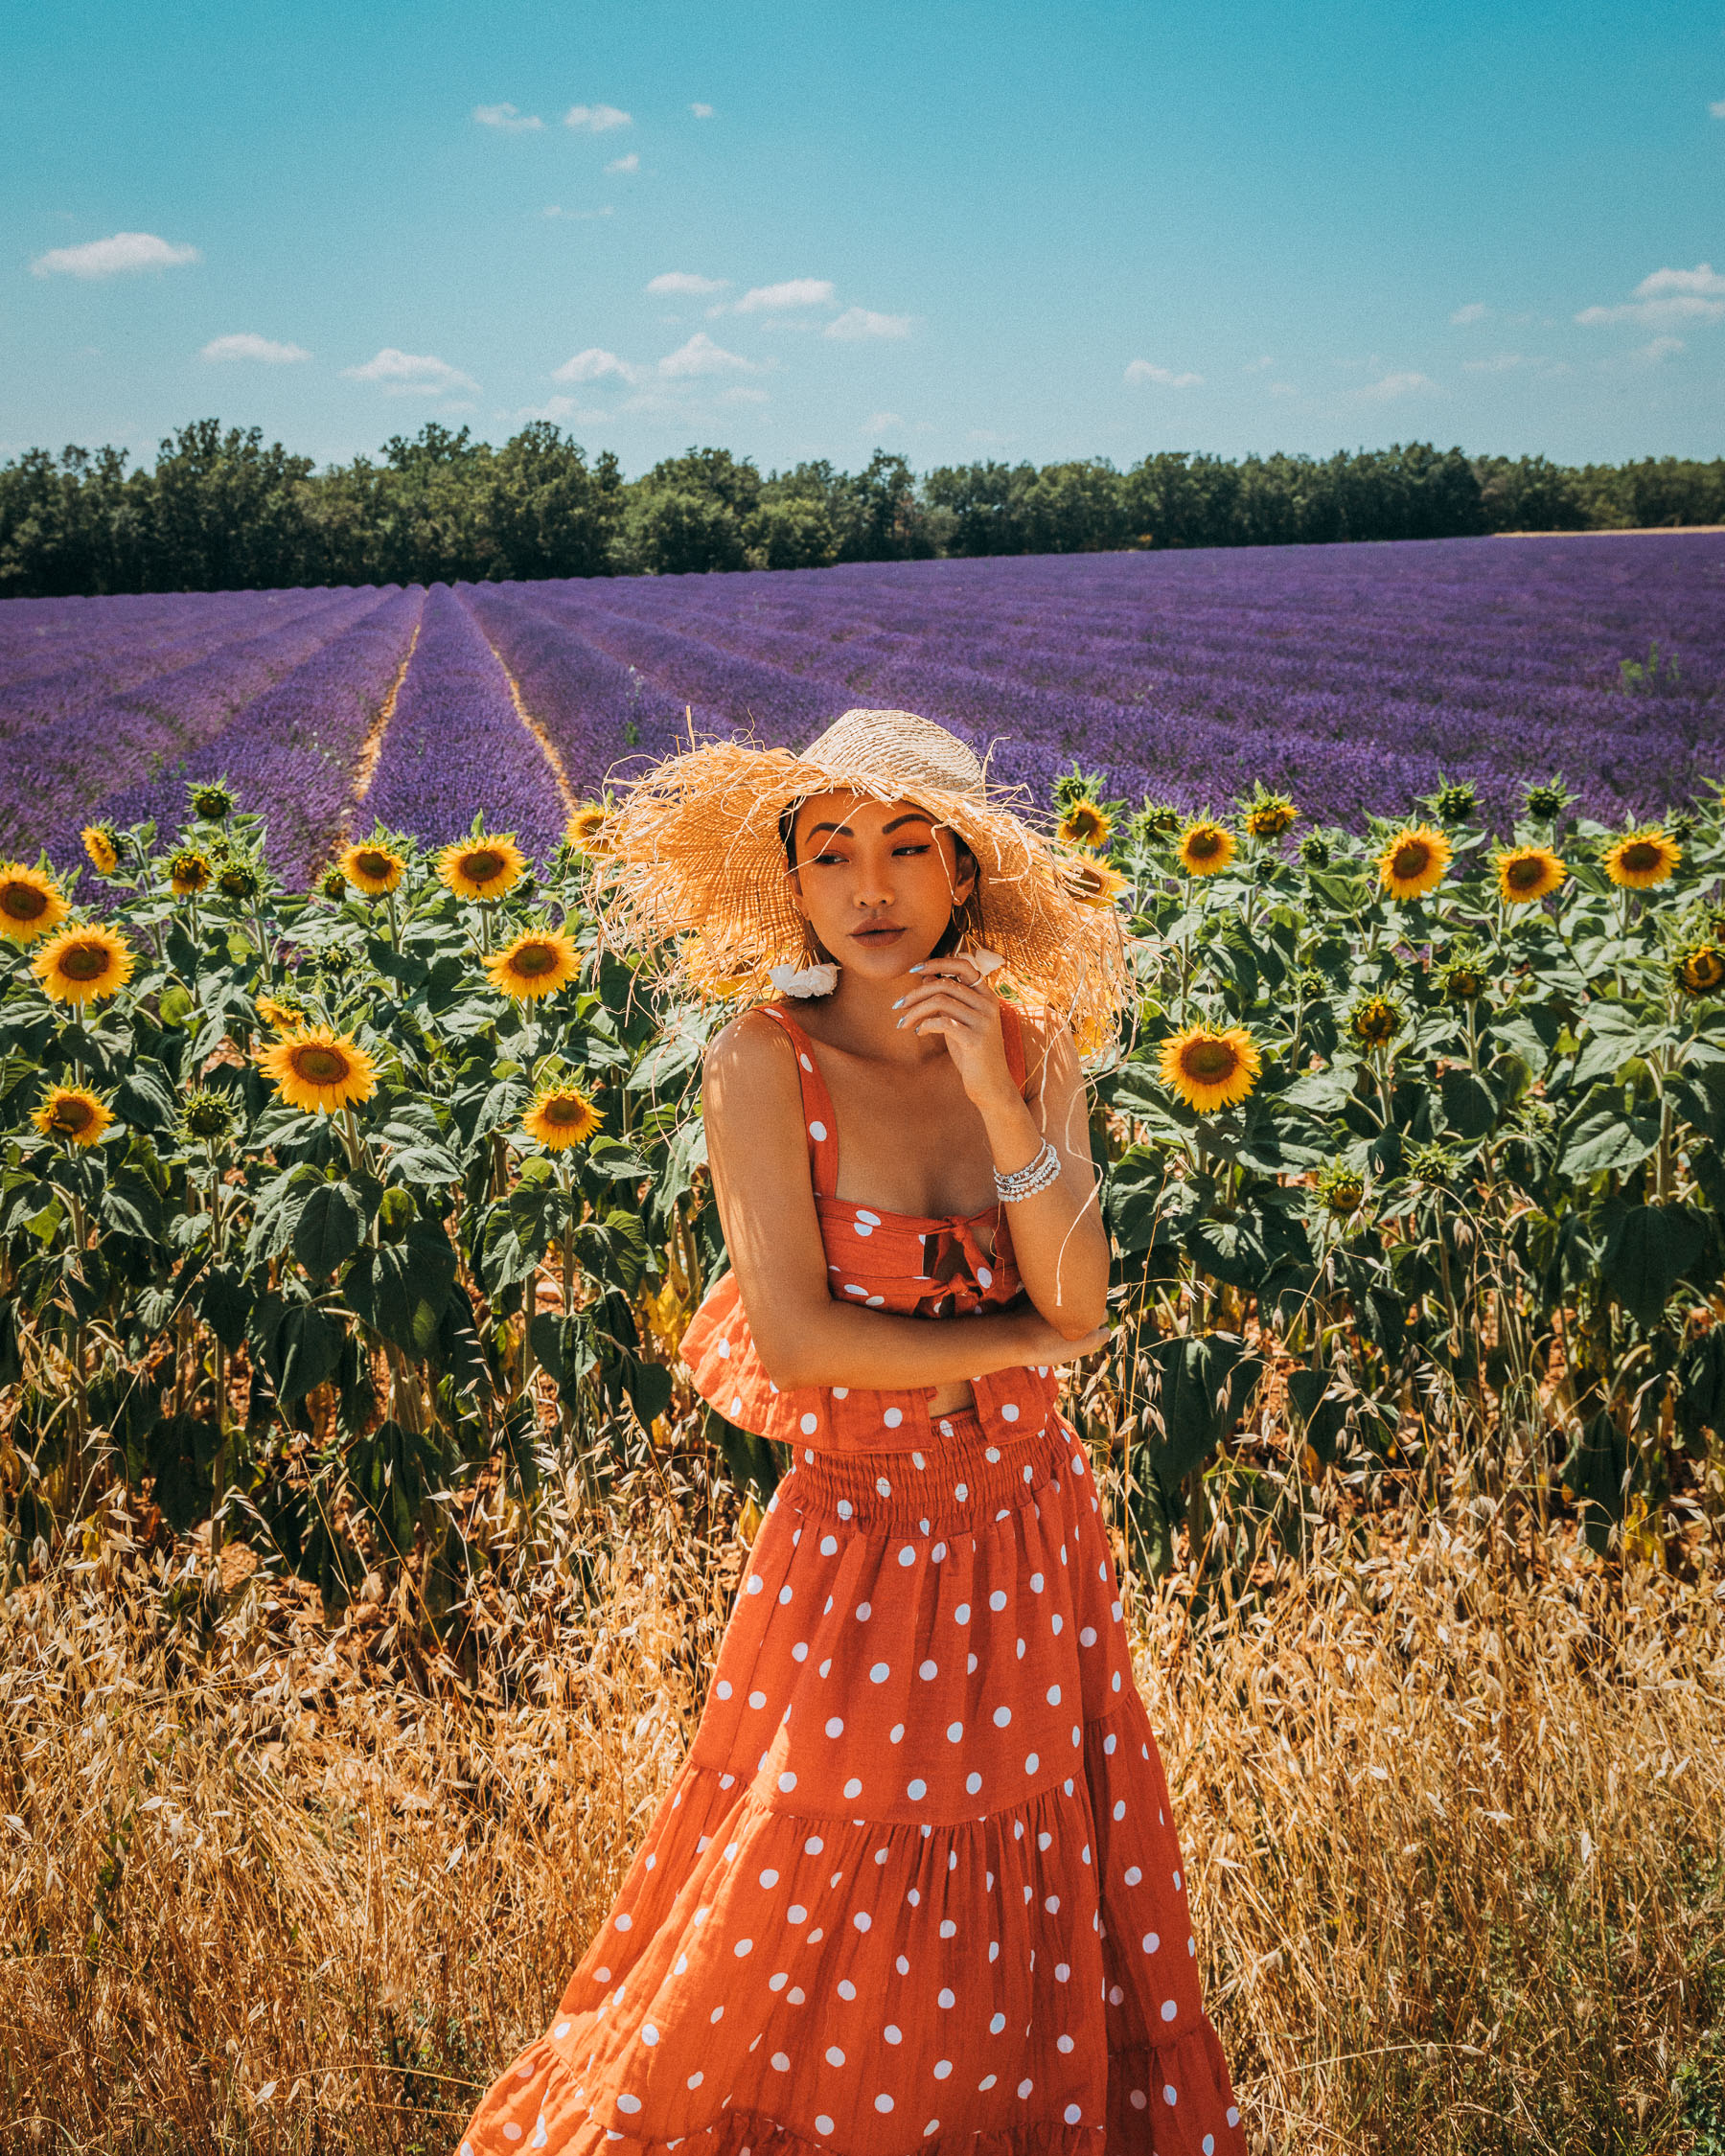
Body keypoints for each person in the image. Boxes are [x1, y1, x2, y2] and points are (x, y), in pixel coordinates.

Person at [457, 711, 1244, 2155]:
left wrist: (1001, 1096)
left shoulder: (1030, 1046)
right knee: (815, 1864)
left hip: (1027, 1522)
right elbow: (807, 1337)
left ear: (963, 876)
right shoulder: (764, 1062)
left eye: (904, 849)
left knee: (1034, 1865)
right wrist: (1018, 1342)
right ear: (797, 887)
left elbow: (1084, 1282)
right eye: (832, 854)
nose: (870, 885)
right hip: (862, 1537)